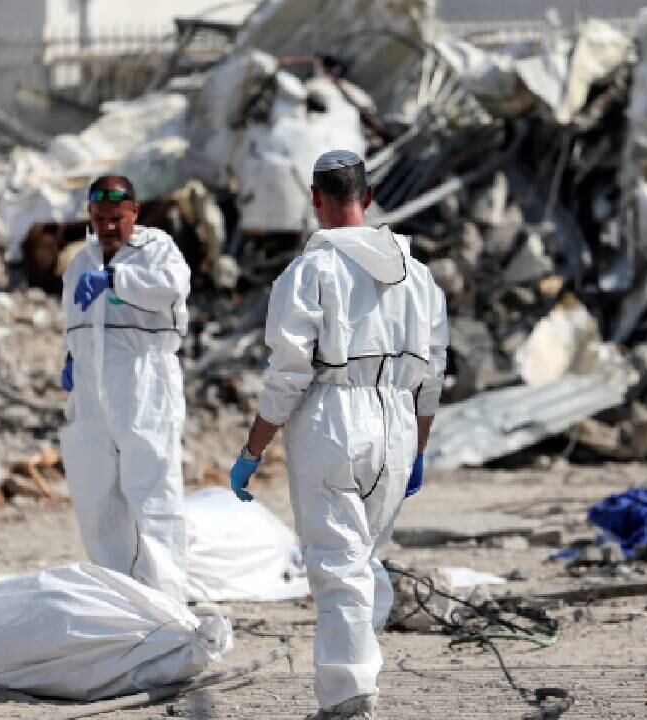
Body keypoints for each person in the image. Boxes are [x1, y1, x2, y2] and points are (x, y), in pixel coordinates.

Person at [229, 150, 449, 720]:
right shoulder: (419, 276)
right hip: (398, 421)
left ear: (314, 200)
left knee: (338, 564)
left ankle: (349, 698)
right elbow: (432, 374)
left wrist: (254, 448)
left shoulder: (309, 273)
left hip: (333, 419)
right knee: (363, 558)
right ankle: (358, 676)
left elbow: (288, 373)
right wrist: (418, 449)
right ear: (368, 197)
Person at [58, 175, 191, 603]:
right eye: (100, 219)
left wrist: (116, 280)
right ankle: (121, 597)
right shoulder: (80, 262)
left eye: (117, 218)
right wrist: (71, 358)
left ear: (134, 212)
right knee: (97, 495)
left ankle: (165, 600)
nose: (108, 227)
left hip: (144, 384)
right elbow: (74, 321)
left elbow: (171, 289)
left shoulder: (157, 250)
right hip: (92, 391)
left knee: (152, 493)